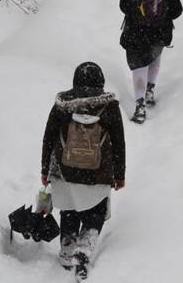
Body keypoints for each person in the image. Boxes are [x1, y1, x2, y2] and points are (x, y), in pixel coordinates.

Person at [40, 62, 126, 281]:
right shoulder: (109, 106)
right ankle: (85, 246)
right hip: (98, 172)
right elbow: (118, 142)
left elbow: (49, 137)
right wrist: (119, 174)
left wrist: (44, 169)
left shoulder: (63, 104)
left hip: (64, 170)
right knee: (95, 210)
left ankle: (68, 248)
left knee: (69, 209)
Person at [119, 0, 183, 124]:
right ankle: (150, 90)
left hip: (135, 34)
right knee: (154, 57)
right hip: (158, 34)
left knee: (139, 67)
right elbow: (178, 10)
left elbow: (123, 5)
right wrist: (162, 15)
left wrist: (137, 13)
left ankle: (140, 106)